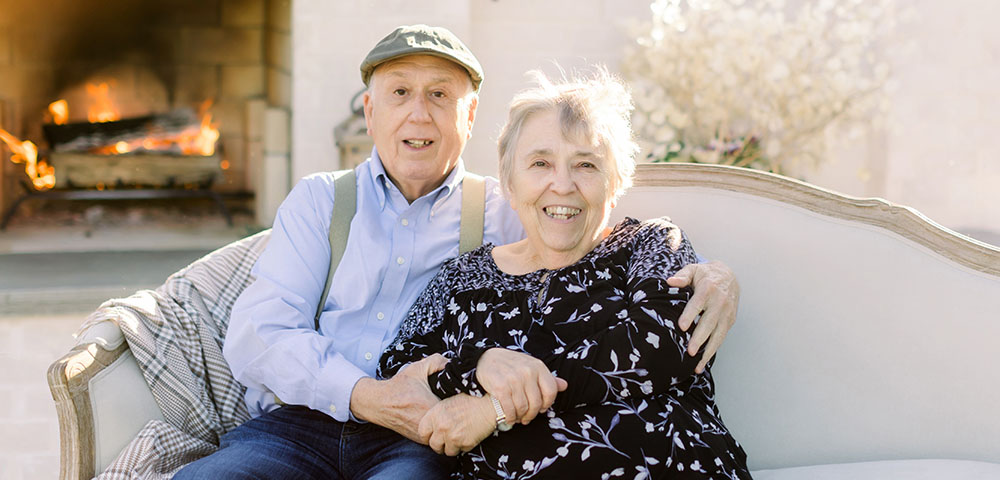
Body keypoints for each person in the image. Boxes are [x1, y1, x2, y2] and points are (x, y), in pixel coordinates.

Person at [175, 25, 740, 479]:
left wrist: (716, 277)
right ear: (370, 113)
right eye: (400, 93)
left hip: (418, 441)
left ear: (469, 120)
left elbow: (648, 328)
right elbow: (262, 332)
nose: (419, 114)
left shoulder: (508, 210)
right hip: (303, 423)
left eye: (440, 96)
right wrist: (388, 391)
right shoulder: (323, 203)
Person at [378, 68, 751, 479]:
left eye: (586, 165)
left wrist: (495, 408)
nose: (562, 184)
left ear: (615, 182)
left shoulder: (648, 245)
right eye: (540, 163)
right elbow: (399, 369)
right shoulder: (463, 277)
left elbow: (661, 344)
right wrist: (477, 365)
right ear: (510, 183)